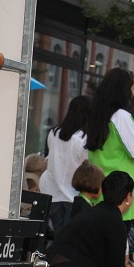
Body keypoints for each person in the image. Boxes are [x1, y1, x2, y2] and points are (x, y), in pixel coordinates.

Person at [84, 68, 134, 227]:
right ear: (124, 89)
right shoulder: (121, 115)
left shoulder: (98, 114)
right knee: (116, 248)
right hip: (118, 194)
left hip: (100, 190)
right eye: (133, 86)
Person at [40, 95, 90, 233]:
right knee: (66, 241)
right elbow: (87, 166)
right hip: (72, 196)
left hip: (51, 192)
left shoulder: (54, 133)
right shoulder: (83, 139)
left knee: (51, 238)